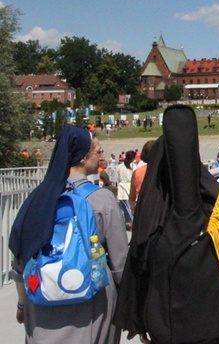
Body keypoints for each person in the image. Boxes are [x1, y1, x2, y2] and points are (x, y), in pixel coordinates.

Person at [9, 125, 128, 343]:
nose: (101, 156)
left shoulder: (37, 198)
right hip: (91, 306)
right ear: (83, 158)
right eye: (98, 152)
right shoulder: (102, 199)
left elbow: (19, 258)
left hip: (42, 303)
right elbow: (120, 263)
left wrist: (21, 304)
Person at [128, 140, 155, 213]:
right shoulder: (165, 171)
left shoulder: (137, 172)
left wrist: (133, 210)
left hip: (142, 208)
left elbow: (132, 197)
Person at [116, 150, 135, 227]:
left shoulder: (119, 166)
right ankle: (131, 222)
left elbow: (117, 178)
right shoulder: (133, 166)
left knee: (123, 208)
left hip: (121, 187)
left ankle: (125, 222)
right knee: (129, 207)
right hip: (129, 187)